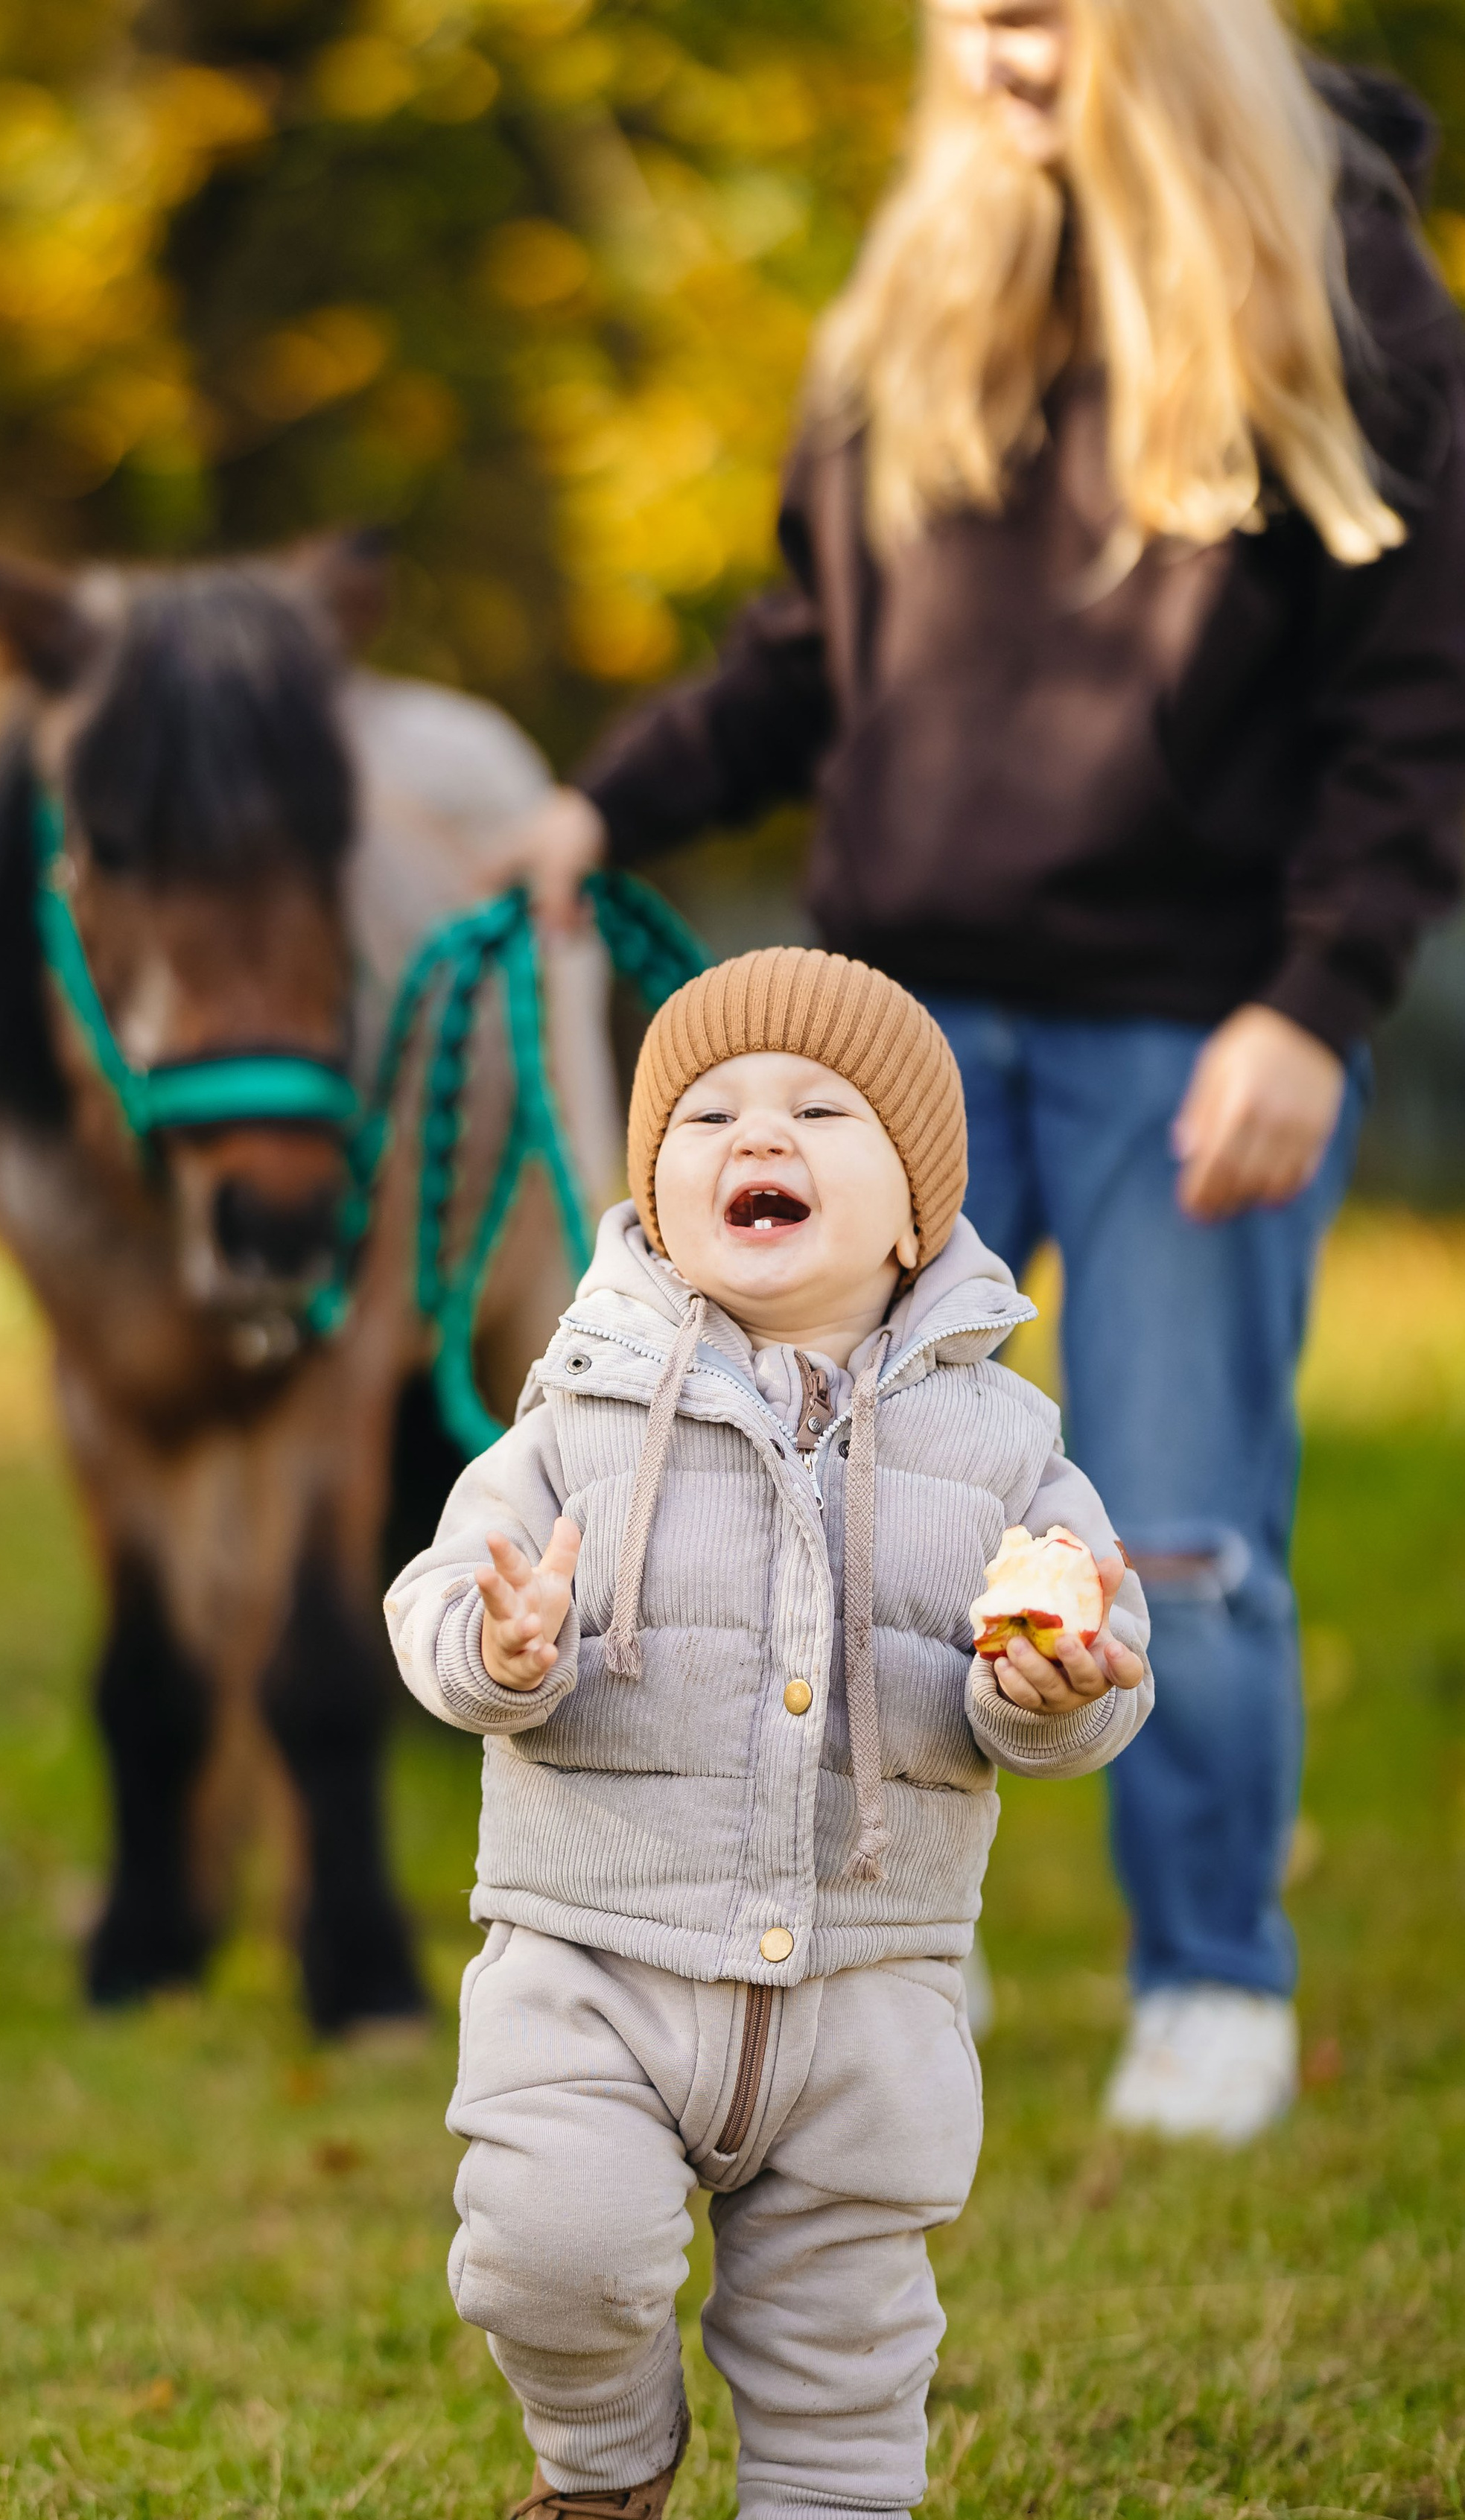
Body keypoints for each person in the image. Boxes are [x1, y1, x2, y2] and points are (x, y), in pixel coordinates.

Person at [498, 0, 1465, 2144]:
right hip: (895, 1029)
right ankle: (836, 1962)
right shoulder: (923, 275)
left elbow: (1421, 694)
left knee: (1177, 1534)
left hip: (1186, 1026)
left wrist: (1317, 1002)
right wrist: (602, 809)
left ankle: (1214, 1979)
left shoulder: (1345, 271)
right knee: (811, 1513)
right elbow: (801, 655)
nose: (1003, 36)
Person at [385, 946, 1150, 2520]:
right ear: (656, 1203)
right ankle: (599, 2471)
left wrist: (1053, 1691)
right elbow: (433, 1603)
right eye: (709, 1112)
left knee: (843, 2326)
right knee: (545, 2247)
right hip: (592, 1952)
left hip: (866, 1979)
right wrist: (501, 1647)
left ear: (911, 1219)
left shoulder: (1005, 1447)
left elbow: (1094, 1656)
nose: (759, 1130)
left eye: (819, 1110)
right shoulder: (576, 1411)